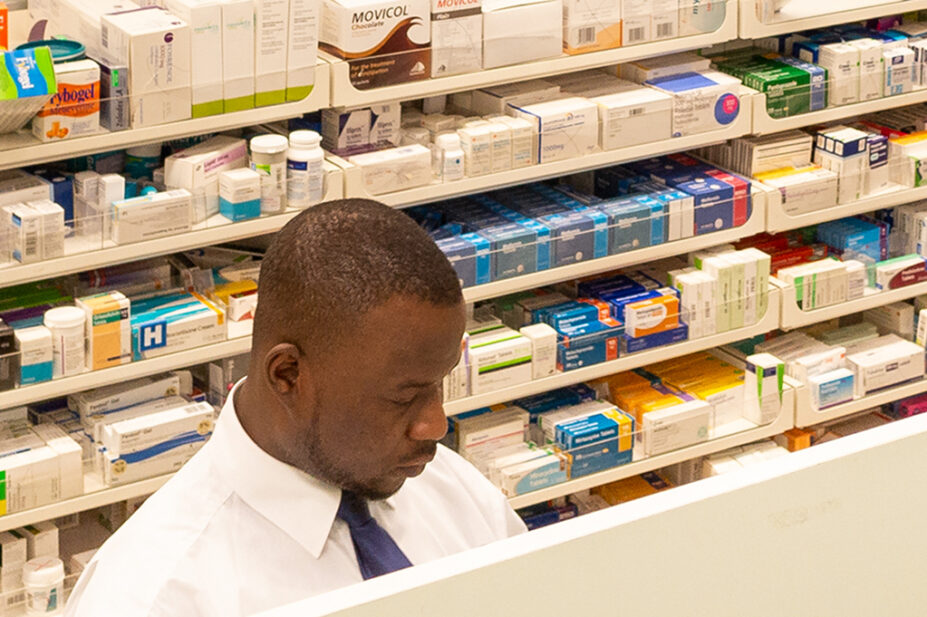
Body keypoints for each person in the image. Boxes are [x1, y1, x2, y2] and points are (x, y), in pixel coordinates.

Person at [65, 199, 527, 617]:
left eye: (440, 383)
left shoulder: (456, 492)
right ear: (287, 374)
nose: (435, 426)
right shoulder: (154, 596)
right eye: (403, 398)